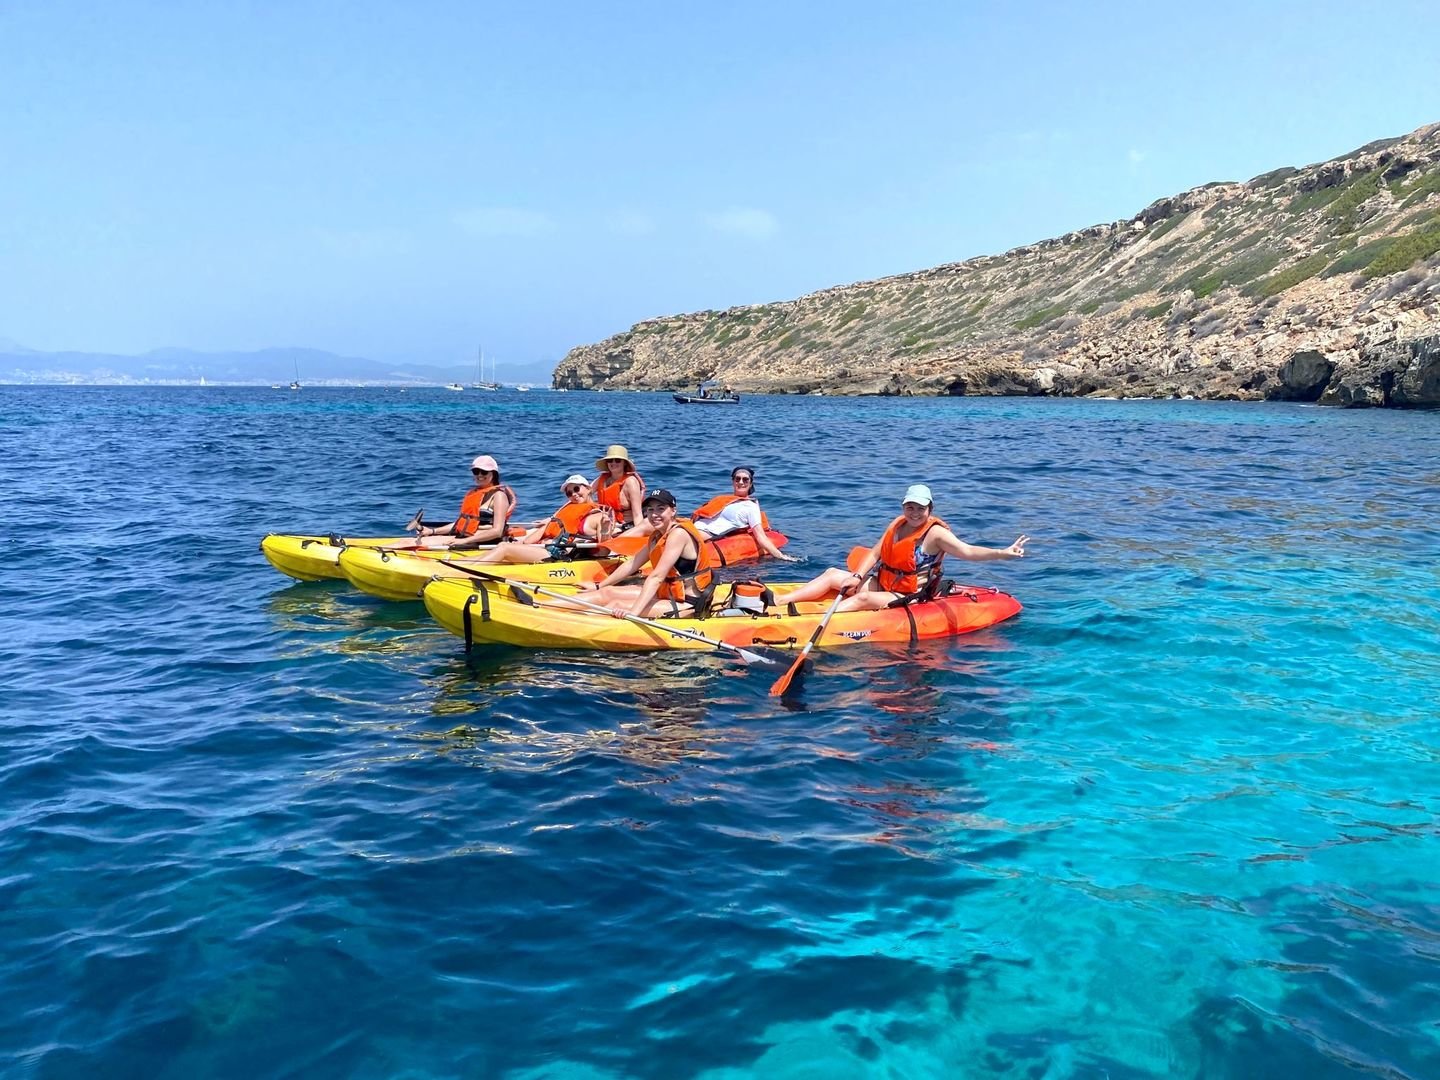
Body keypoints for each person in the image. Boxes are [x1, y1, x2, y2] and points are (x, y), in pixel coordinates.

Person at [771, 484, 1028, 612]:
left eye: (920, 508)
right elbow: (874, 553)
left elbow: (968, 551)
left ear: (930, 509)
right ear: (904, 507)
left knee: (863, 598)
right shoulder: (897, 525)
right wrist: (857, 576)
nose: (914, 513)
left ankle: (815, 618)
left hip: (908, 595)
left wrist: (1002, 553)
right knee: (830, 573)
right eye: (910, 507)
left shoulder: (935, 533)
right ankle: (779, 601)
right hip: (884, 582)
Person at [560, 489, 715, 618]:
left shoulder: (678, 534)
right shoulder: (657, 535)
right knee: (607, 592)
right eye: (650, 510)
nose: (654, 514)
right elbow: (632, 564)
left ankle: (562, 623)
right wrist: (599, 585)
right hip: (667, 594)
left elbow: (656, 577)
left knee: (616, 605)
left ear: (673, 511)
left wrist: (633, 612)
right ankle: (542, 607)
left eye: (661, 509)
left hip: (687, 604)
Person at [470, 474, 612, 565]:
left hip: (557, 556)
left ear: (588, 489)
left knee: (504, 548)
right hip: (544, 549)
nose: (573, 494)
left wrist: (605, 530)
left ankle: (458, 573)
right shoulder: (564, 512)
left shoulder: (598, 516)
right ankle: (462, 565)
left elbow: (603, 553)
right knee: (504, 546)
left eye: (576, 489)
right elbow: (528, 541)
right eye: (569, 493)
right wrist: (521, 544)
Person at [690, 466, 798, 562]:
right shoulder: (724, 500)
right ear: (733, 482)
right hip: (690, 527)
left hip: (700, 534)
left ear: (750, 483)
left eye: (745, 480)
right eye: (737, 479)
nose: (741, 482)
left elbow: (760, 536)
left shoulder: (751, 506)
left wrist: (781, 556)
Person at [414, 454, 516, 550]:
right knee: (417, 542)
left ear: (493, 474)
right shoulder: (474, 494)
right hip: (466, 537)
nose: (479, 475)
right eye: (476, 471)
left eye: (484, 472)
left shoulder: (499, 496)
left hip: (484, 541)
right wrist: (432, 531)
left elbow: (497, 531)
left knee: (420, 544)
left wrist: (464, 541)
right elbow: (461, 524)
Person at [592, 444, 645, 531]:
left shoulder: (631, 482)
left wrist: (639, 534)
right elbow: (586, 493)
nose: (613, 463)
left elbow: (637, 515)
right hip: (605, 523)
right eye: (610, 460)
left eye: (617, 460)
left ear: (624, 463)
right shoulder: (602, 478)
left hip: (624, 526)